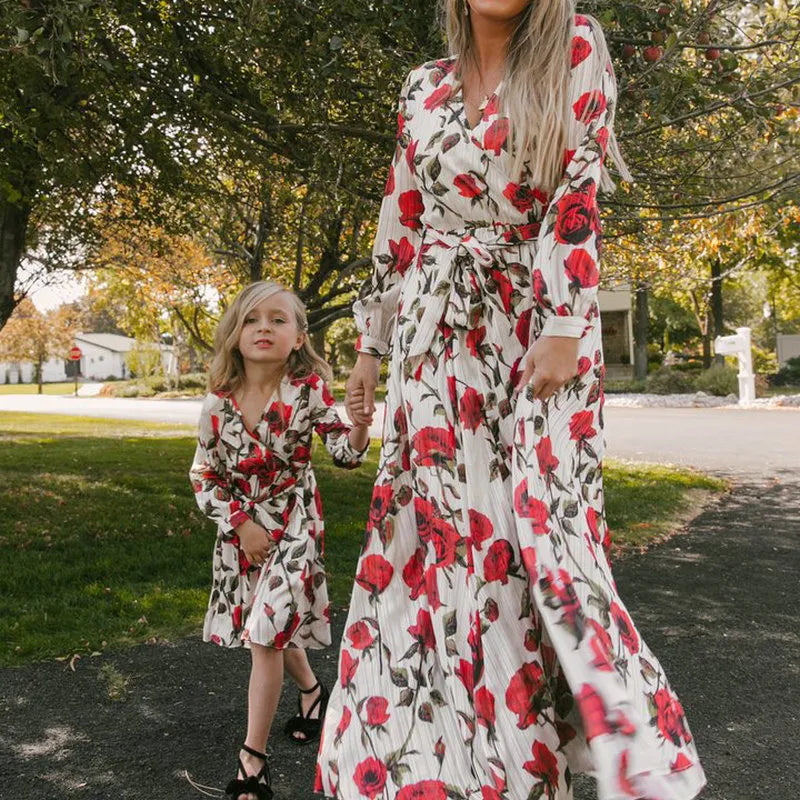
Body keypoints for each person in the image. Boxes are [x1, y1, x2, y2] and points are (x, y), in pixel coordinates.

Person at [316, 1, 706, 799]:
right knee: (427, 549)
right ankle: (429, 767)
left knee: (533, 549)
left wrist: (565, 319)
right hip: (431, 347)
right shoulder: (419, 88)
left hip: (532, 334)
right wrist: (368, 344)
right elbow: (402, 217)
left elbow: (579, 186)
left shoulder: (575, 47)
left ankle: (553, 765)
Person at [190, 281, 370, 800]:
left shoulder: (309, 389)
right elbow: (204, 475)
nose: (263, 327)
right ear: (234, 334)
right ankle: (313, 693)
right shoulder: (217, 404)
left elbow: (345, 452)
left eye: (277, 319)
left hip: (295, 525)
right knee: (268, 624)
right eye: (252, 319)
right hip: (242, 532)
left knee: (265, 634)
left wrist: (358, 426)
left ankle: (253, 762)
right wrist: (241, 525)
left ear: (298, 337)